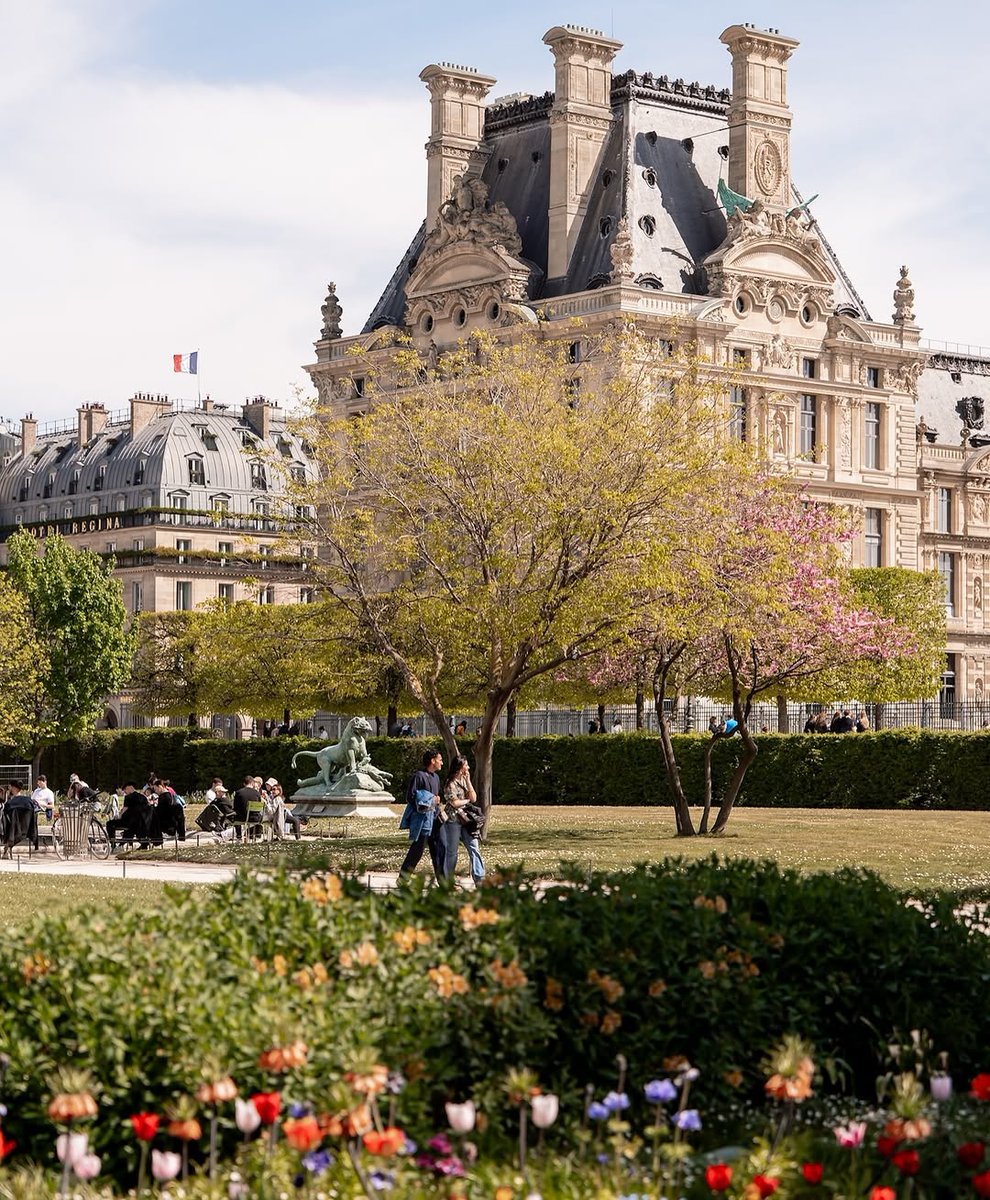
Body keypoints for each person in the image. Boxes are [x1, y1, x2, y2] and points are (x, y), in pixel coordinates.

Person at [398, 749, 446, 880]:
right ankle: (403, 878)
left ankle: (444, 882)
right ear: (433, 761)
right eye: (440, 760)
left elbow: (436, 797)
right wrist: (428, 799)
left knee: (440, 849)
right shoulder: (419, 776)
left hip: (435, 818)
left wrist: (436, 800)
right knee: (418, 849)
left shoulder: (436, 778)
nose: (442, 763)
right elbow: (410, 797)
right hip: (423, 820)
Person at [442, 755, 485, 886]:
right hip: (453, 820)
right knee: (452, 852)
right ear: (460, 767)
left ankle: (479, 878)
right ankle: (448, 880)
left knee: (474, 847)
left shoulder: (464, 781)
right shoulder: (450, 783)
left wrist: (468, 781)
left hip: (466, 820)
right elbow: (455, 803)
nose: (468, 767)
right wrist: (466, 801)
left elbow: (474, 798)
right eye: (466, 765)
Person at [107, 783, 152, 850]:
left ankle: (113, 845)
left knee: (109, 824)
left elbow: (125, 809)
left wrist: (119, 815)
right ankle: (141, 844)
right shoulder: (143, 797)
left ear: (129, 787)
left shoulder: (128, 797)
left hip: (129, 821)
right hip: (142, 822)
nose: (125, 792)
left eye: (125, 790)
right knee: (131, 827)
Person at [232, 775, 262, 841]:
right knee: (259, 816)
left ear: (244, 783)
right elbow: (259, 807)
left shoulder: (238, 792)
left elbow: (235, 807)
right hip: (254, 818)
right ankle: (257, 836)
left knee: (235, 814)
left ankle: (239, 836)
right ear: (252, 783)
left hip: (242, 817)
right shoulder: (257, 793)